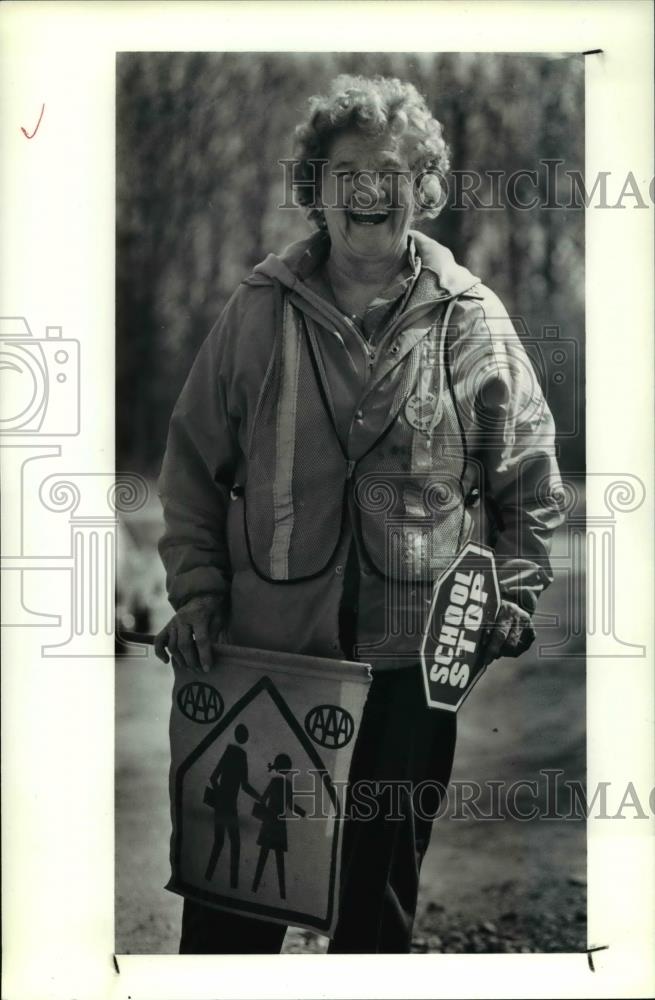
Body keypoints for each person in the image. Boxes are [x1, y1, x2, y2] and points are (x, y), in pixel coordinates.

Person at [154, 74, 565, 954]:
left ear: (422, 189)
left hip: (411, 672)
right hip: (270, 661)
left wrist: (512, 598)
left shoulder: (474, 322)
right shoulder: (257, 313)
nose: (368, 190)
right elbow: (191, 467)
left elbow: (527, 480)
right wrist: (196, 594)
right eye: (345, 171)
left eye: (392, 172)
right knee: (233, 911)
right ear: (315, 188)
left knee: (373, 917)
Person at [203, 723, 261, 888]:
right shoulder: (241, 755)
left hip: (221, 804)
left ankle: (208, 878)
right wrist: (259, 797)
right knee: (234, 844)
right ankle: (233, 884)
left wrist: (219, 794)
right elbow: (245, 785)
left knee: (219, 842)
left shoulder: (229, 751)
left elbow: (214, 778)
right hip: (230, 806)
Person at [251, 753, 306, 900]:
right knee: (279, 859)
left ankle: (254, 888)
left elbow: (263, 799)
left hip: (269, 822)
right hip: (280, 825)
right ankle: (282, 894)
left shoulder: (274, 782)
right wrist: (302, 812)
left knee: (263, 857)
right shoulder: (287, 785)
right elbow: (291, 805)